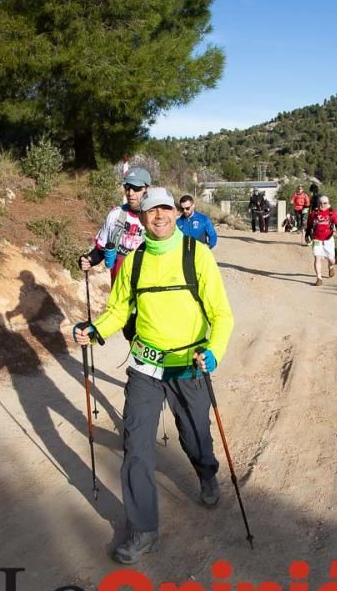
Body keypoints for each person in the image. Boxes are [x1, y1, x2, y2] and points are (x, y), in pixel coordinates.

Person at [72, 187, 235, 565]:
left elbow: (222, 315)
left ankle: (206, 472)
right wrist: (94, 330)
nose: (159, 216)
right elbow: (118, 310)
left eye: (164, 209)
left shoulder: (197, 255)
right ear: (141, 218)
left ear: (175, 214)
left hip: (188, 363)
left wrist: (213, 352)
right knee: (136, 444)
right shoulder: (135, 261)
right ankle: (143, 530)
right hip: (145, 366)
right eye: (151, 210)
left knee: (195, 435)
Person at [79, 166, 151, 282]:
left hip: (144, 288)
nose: (130, 193)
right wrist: (89, 259)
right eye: (127, 187)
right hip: (118, 289)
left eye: (136, 188)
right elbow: (102, 250)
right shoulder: (115, 215)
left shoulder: (156, 218)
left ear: (147, 189)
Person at [304, 194, 337, 285]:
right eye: (320, 203)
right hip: (317, 239)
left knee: (331, 258)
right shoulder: (314, 213)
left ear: (328, 203)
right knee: (317, 258)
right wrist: (307, 235)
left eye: (324, 203)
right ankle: (319, 278)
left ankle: (331, 266)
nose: (322, 205)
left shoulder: (332, 212)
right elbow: (309, 225)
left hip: (328, 239)